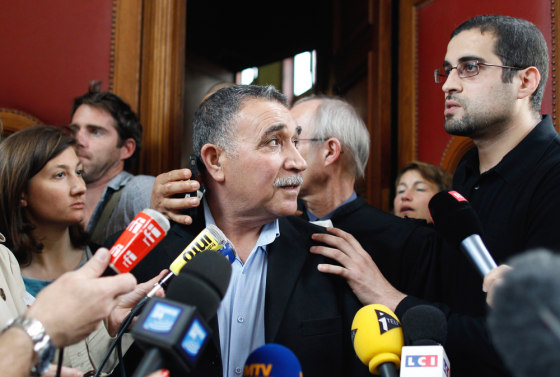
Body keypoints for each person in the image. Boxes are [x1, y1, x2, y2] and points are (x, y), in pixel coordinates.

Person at [311, 15, 560, 377]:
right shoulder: (468, 174)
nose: (449, 85)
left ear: (525, 81)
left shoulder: (553, 177)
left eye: (470, 68)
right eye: (447, 71)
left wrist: (393, 301)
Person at [133, 85, 370, 377]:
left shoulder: (329, 255)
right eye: (274, 142)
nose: (299, 162)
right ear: (215, 160)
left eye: (295, 141)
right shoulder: (144, 254)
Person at [0, 125, 164, 375]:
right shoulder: (6, 270)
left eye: (78, 172)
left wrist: (105, 321)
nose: (79, 187)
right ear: (21, 192)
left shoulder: (108, 259)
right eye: (59, 175)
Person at [68, 82, 155, 244]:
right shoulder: (56, 192)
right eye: (74, 130)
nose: (78, 140)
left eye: (95, 131)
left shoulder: (139, 189)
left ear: (126, 149)